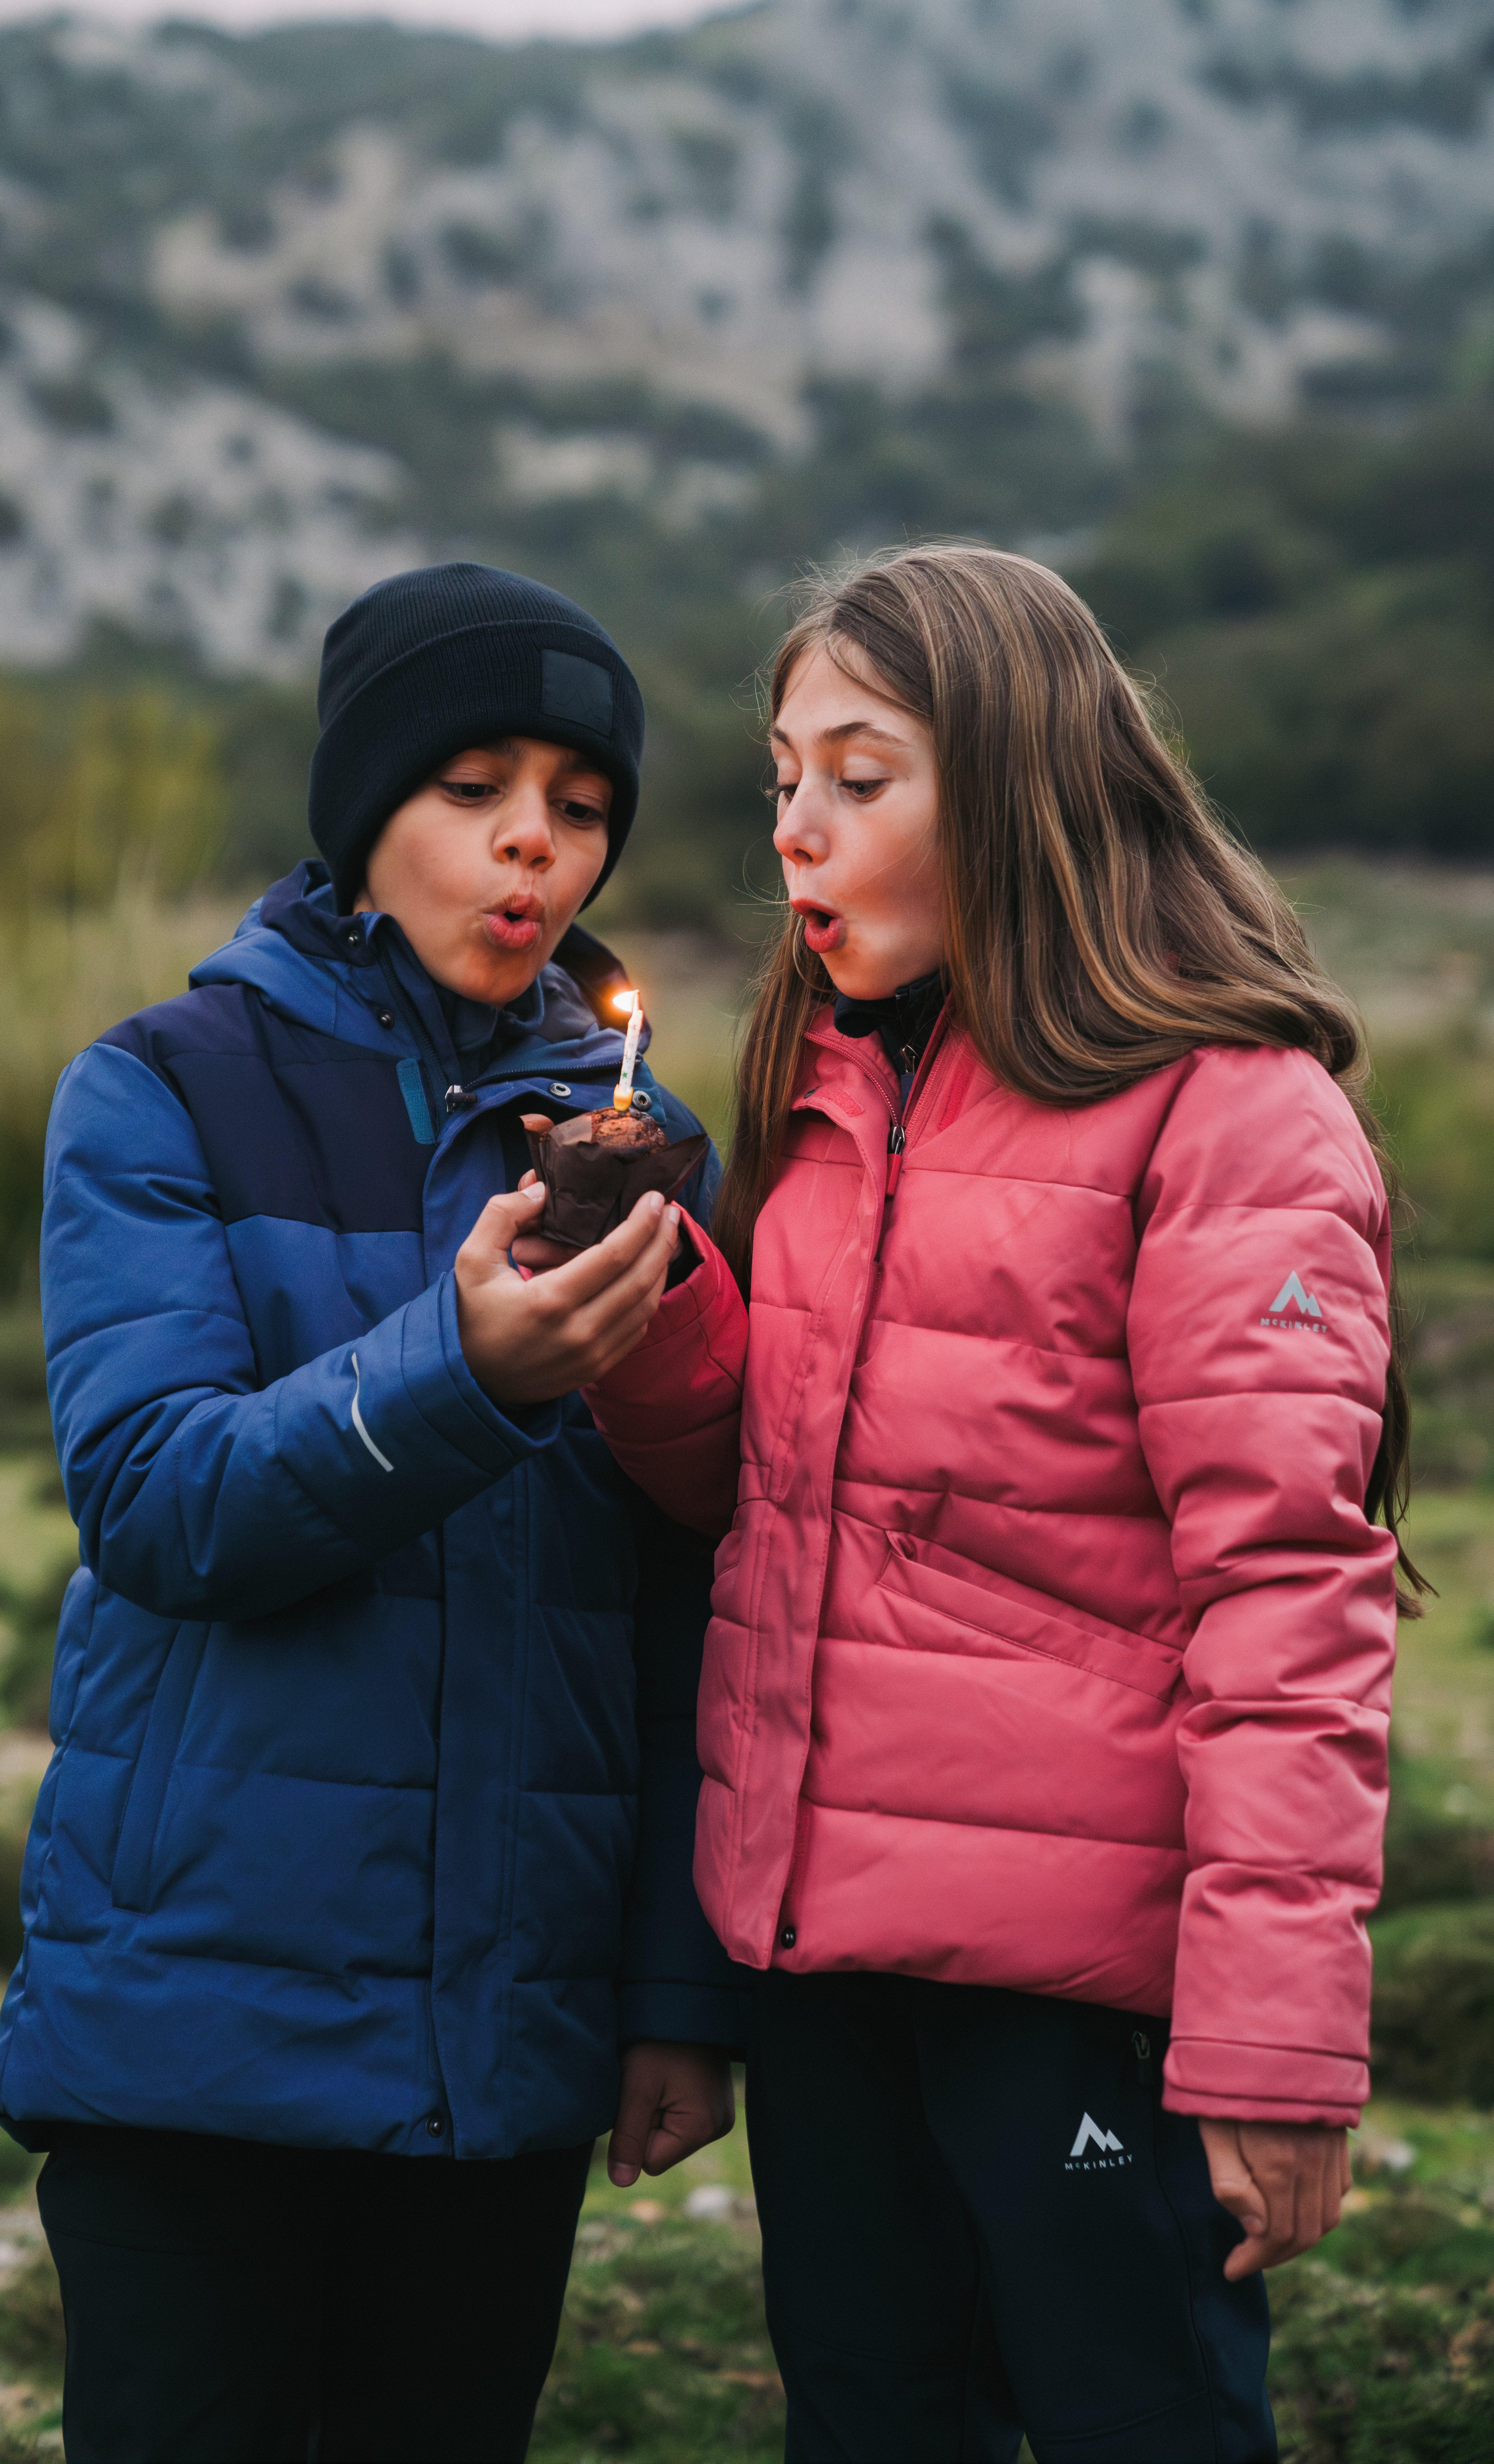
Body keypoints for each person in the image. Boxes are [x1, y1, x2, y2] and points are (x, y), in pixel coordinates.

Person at [582, 545, 1416, 2464]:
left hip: (1077, 1993)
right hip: (824, 1971)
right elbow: (764, 1510)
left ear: (1022, 781)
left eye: (859, 777)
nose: (798, 827)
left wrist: (1275, 2048)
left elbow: (1287, 1596)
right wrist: (641, 1313)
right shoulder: (825, 1085)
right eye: (781, 775)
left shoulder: (1231, 1112)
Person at [0, 561, 745, 2464]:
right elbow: (163, 1507)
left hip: (501, 2049)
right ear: (362, 811)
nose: (532, 848)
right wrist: (466, 1374)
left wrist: (666, 1990)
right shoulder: (161, 1092)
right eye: (471, 786)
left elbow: (687, 1596)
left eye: (578, 808)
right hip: (193, 2032)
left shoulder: (642, 1158)